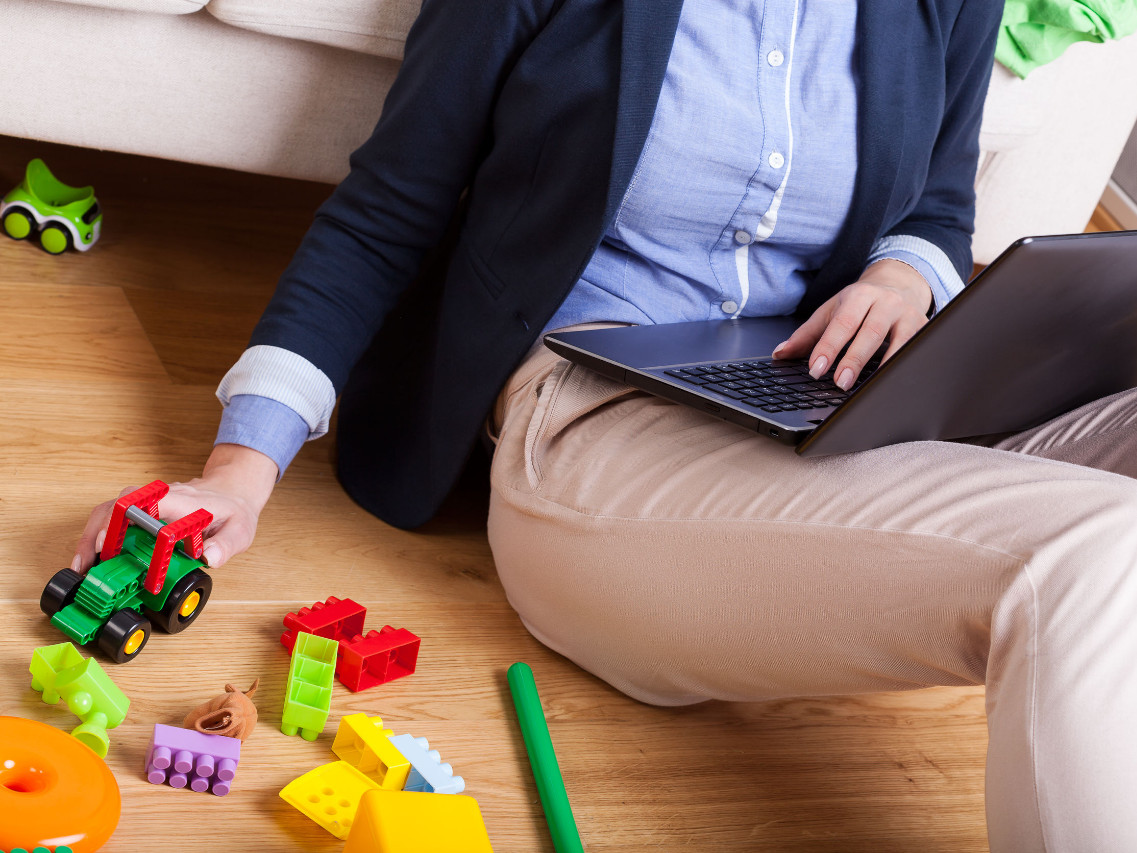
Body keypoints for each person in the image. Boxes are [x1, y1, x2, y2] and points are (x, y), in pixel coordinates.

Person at [73, 1, 1137, 849]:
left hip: (835, 390)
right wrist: (239, 470)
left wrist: (908, 274)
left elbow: (939, 208)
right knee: (1096, 552)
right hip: (594, 421)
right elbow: (385, 211)